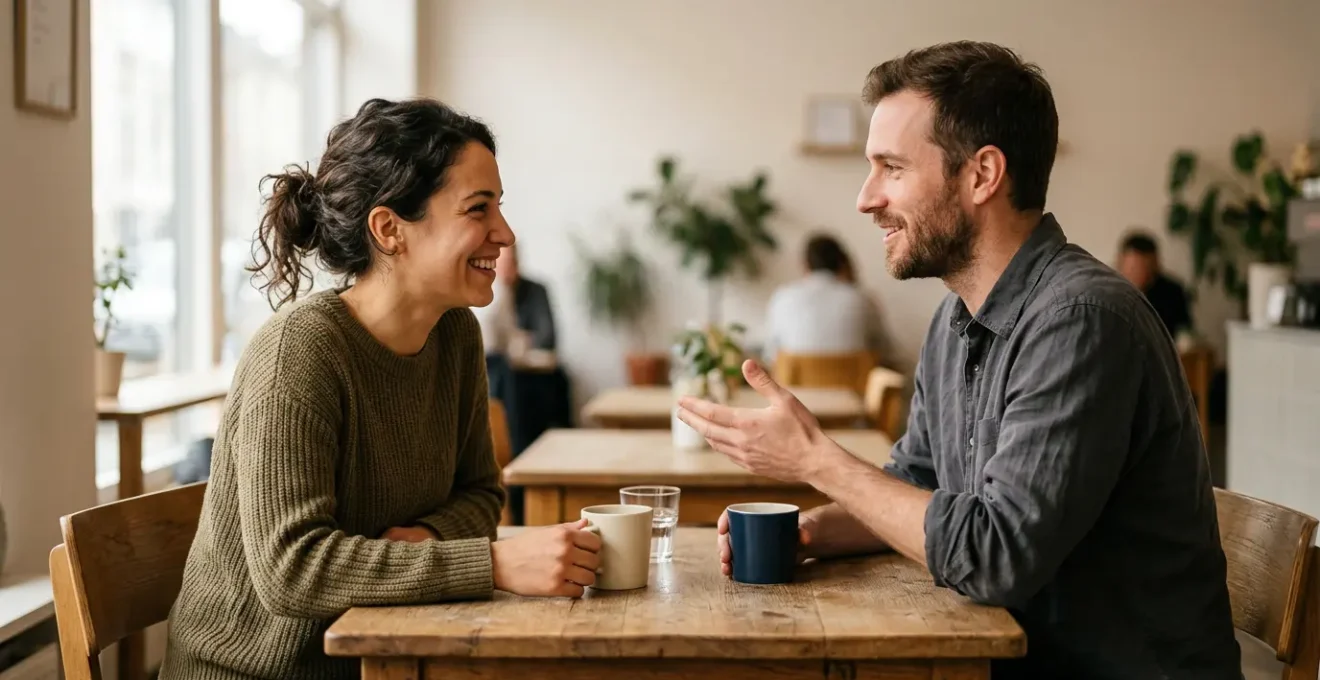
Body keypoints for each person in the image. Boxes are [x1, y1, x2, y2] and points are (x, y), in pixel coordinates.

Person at [677, 42, 1240, 679]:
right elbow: (916, 484)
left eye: (891, 167)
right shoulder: (958, 317)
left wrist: (815, 458)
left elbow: (996, 557)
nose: (865, 199)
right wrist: (809, 533)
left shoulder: (1080, 321)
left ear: (982, 175)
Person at [160, 98, 602, 680]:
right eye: (478, 209)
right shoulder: (300, 353)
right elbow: (291, 571)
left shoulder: (457, 336)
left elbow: (480, 495)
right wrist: (486, 564)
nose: (505, 233)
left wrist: (423, 542)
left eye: (500, 206)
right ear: (390, 229)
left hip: (388, 653)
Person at [763, 233, 885, 362]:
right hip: (853, 380)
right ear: (842, 262)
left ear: (805, 264)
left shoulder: (783, 297)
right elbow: (887, 352)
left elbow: (770, 355)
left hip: (793, 381)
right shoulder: (862, 299)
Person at [1116, 230, 1194, 340]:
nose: (1138, 274)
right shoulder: (1107, 292)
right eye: (1132, 269)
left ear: (1155, 265)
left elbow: (1185, 333)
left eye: (1143, 268)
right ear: (1120, 263)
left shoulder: (1173, 292)